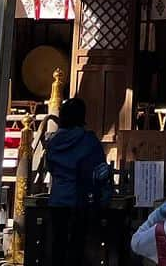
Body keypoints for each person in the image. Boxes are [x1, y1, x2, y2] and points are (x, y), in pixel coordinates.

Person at [45, 97, 109, 266]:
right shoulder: (88, 141)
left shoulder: (53, 141)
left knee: (57, 244)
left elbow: (50, 168)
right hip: (80, 198)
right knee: (77, 246)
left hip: (58, 198)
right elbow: (100, 172)